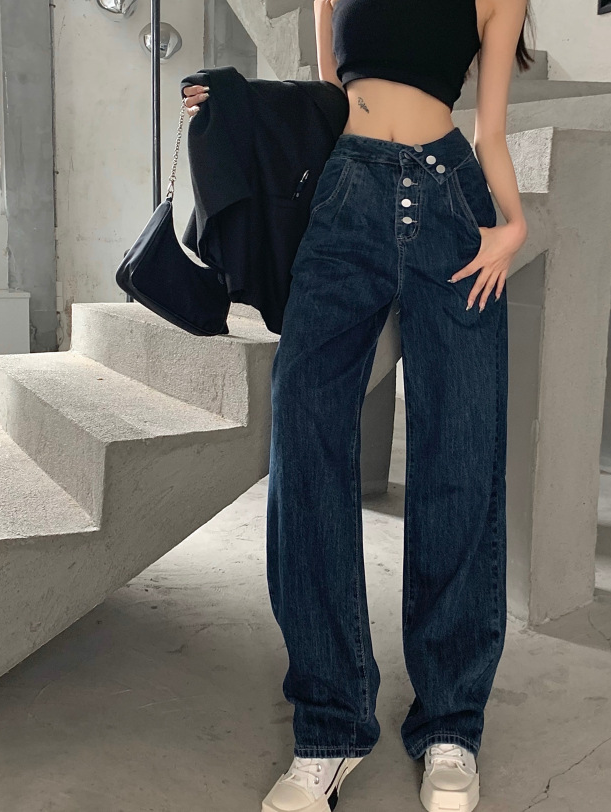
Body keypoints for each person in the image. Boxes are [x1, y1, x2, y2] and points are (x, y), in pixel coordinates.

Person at [184, 0, 531, 809]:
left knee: (461, 454)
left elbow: (491, 130)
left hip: (452, 200)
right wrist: (236, 102)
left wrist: (513, 225)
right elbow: (325, 105)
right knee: (305, 445)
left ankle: (450, 722)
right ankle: (330, 726)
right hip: (345, 201)